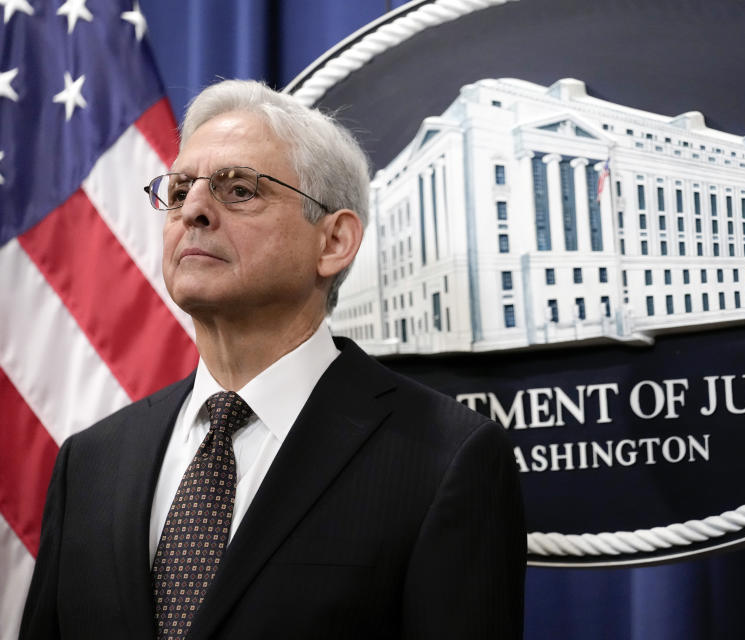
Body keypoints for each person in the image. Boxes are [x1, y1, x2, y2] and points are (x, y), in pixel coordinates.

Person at [19, 79, 526, 640]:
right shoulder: (90, 463)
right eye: (181, 188)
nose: (194, 211)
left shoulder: (445, 458)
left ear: (333, 242)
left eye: (238, 190)